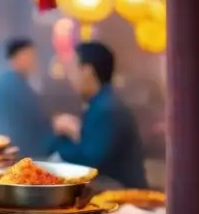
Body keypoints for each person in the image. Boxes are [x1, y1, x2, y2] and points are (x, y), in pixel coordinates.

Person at [51, 41, 148, 189]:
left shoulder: (107, 109)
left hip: (124, 200)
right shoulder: (102, 102)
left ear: (87, 71)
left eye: (73, 69)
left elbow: (89, 162)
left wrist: (61, 140)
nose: (70, 76)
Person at [0, 38, 51, 157]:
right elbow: (32, 121)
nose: (33, 60)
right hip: (19, 152)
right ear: (17, 56)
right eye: (29, 55)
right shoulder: (15, 86)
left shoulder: (2, 83)